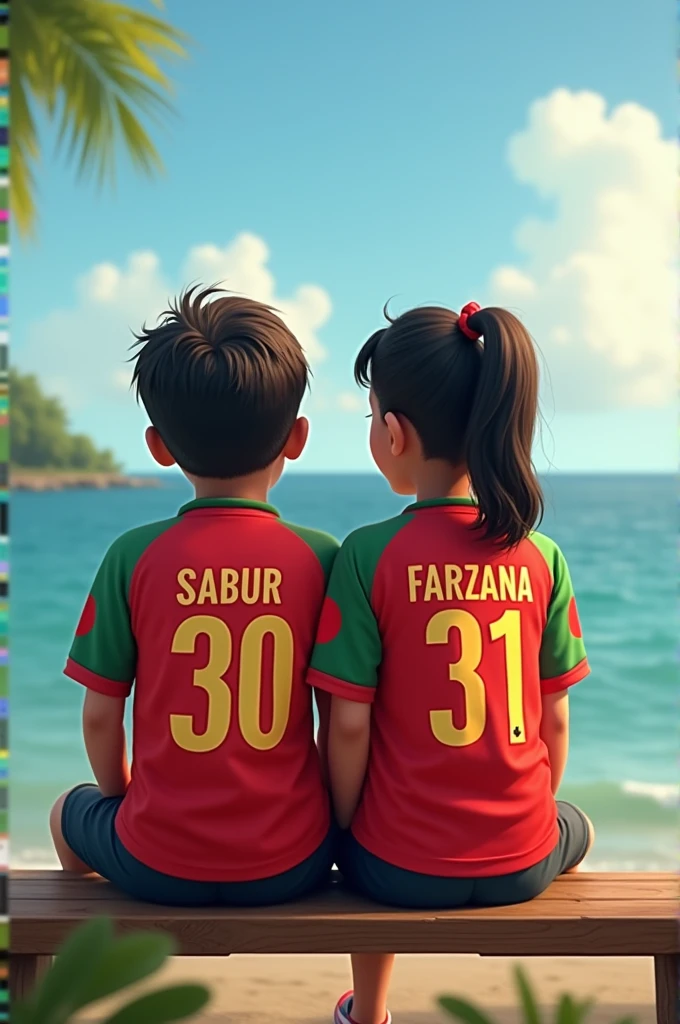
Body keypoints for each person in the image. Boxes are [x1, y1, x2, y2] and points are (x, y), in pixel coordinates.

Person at [308, 302, 594, 1024]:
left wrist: (345, 829)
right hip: (523, 861)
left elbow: (347, 729)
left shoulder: (365, 556)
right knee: (577, 825)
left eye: (372, 417)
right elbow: (554, 720)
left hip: (395, 872)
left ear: (394, 433)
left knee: (374, 831)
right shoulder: (541, 557)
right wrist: (526, 815)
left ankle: (368, 1012)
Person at [50, 285, 338, 906]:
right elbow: (342, 721)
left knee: (65, 812)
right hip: (292, 863)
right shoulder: (322, 558)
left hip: (158, 862)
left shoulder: (133, 556)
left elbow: (101, 716)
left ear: (158, 447)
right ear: (297, 436)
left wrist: (127, 801)